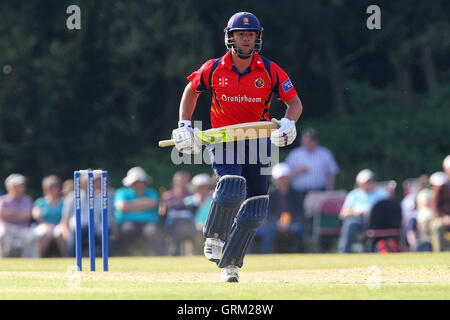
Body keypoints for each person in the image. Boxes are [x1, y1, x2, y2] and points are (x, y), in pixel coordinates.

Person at [171, 12, 302, 281]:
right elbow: (190, 91)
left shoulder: (269, 70)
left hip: (258, 141)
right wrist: (184, 125)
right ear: (230, 38)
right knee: (231, 186)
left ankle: (230, 264)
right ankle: (214, 238)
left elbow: (295, 103)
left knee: (256, 208)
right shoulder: (213, 67)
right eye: (241, 34)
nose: (246, 39)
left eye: (251, 34)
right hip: (224, 138)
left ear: (257, 38)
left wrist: (289, 123)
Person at [114, 166, 167, 256]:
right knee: (126, 230)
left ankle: (162, 256)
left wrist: (130, 205)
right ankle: (125, 256)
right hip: (128, 223)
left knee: (153, 231)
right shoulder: (122, 192)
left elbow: (153, 203)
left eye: (140, 181)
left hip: (149, 223)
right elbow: (122, 206)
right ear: (130, 183)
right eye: (135, 182)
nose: (138, 184)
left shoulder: (152, 192)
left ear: (144, 182)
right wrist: (144, 203)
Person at [62, 170, 116, 257]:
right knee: (74, 236)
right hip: (77, 227)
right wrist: (66, 232)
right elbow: (65, 219)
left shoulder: (100, 197)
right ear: (81, 183)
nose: (89, 185)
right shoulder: (72, 197)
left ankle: (107, 258)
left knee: (105, 232)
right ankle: (73, 259)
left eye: (91, 182)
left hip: (95, 226)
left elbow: (104, 218)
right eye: (87, 182)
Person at [257, 162, 304, 254]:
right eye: (280, 178)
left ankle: (297, 255)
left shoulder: (296, 194)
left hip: (292, 222)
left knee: (297, 229)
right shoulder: (270, 194)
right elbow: (267, 213)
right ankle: (265, 255)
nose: (282, 181)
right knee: (269, 231)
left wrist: (289, 222)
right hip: (274, 223)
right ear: (275, 180)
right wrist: (277, 222)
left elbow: (300, 212)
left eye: (284, 178)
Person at [337, 169, 389, 253]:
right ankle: (343, 252)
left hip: (377, 222)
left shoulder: (382, 194)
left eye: (371, 181)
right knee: (349, 224)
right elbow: (343, 212)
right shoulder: (353, 194)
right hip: (359, 220)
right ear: (360, 184)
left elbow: (387, 211)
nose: (369, 184)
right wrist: (356, 213)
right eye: (366, 182)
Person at [285, 128, 339, 194]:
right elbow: (285, 173)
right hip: (298, 192)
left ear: (316, 141)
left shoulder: (325, 153)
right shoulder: (294, 154)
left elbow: (332, 173)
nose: (309, 143)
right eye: (307, 140)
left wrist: (329, 189)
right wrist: (298, 171)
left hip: (319, 191)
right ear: (302, 141)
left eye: (312, 140)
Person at [0, 174, 41, 257]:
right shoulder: (3, 200)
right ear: (10, 187)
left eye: (22, 185)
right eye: (18, 185)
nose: (21, 187)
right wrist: (18, 213)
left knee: (32, 236)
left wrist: (10, 213)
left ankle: (26, 261)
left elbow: (26, 215)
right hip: (7, 227)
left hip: (23, 229)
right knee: (1, 234)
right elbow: (2, 213)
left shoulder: (27, 199)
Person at [32, 175, 66, 257]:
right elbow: (37, 216)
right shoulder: (40, 202)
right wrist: (47, 225)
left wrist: (58, 225)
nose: (54, 189)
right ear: (46, 189)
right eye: (51, 187)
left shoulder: (63, 202)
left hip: (59, 225)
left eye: (56, 187)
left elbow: (65, 217)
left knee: (60, 233)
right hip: (44, 225)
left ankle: (65, 257)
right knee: (45, 233)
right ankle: (39, 257)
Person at [429, 170, 450, 251]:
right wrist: (444, 217)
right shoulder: (436, 193)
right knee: (437, 227)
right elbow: (435, 209)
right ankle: (439, 251)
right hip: (441, 219)